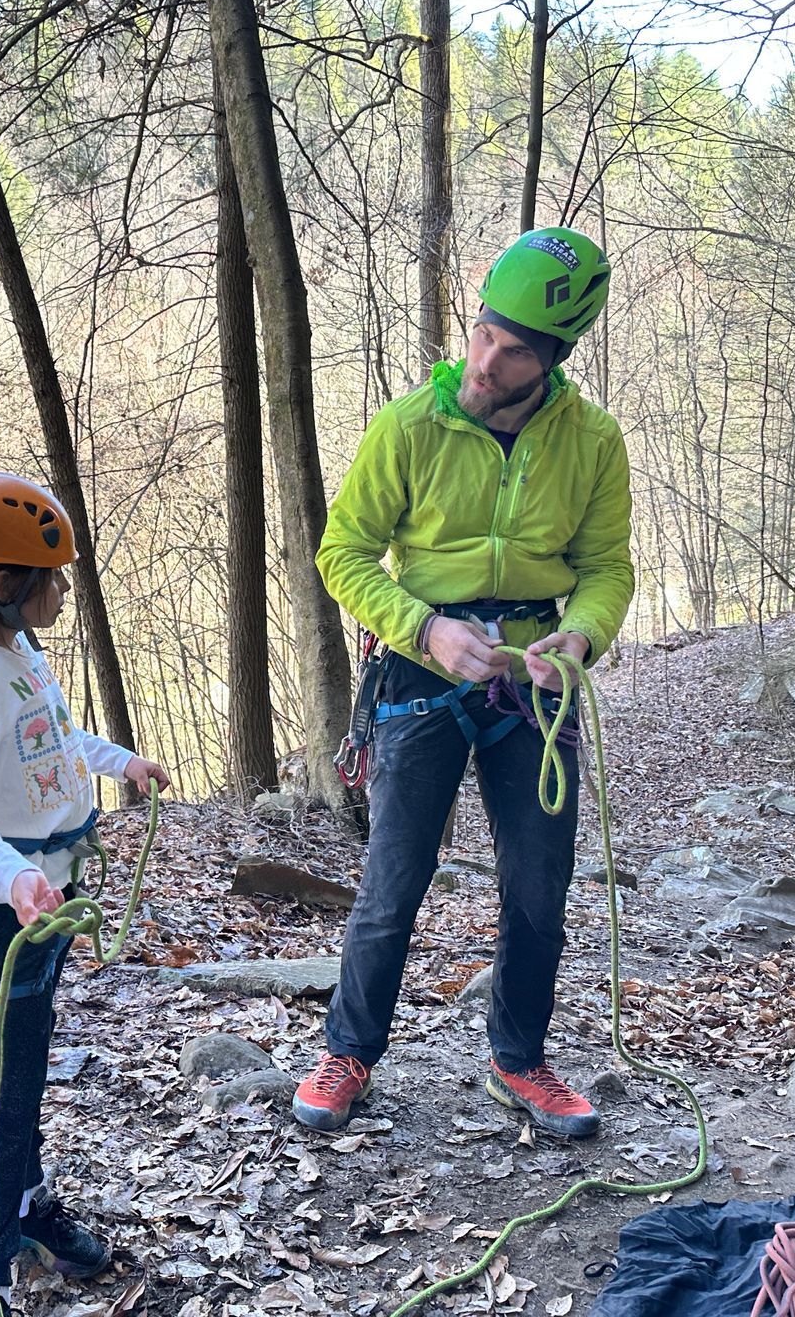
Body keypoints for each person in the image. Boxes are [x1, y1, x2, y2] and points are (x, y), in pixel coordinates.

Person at [292, 227, 633, 1138]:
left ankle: (520, 1059)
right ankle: (351, 1050)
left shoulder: (592, 442)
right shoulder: (411, 425)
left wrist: (583, 633)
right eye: (484, 331)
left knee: (539, 884)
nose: (486, 358)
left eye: (514, 348)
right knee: (393, 878)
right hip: (419, 674)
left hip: (533, 680)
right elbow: (344, 552)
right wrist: (424, 626)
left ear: (554, 357)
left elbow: (606, 567)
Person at [0, 472, 170, 1315]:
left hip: (47, 897)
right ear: (3, 584)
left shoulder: (18, 653)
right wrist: (14, 877)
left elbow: (57, 737)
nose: (62, 591)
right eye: (52, 577)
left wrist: (120, 763)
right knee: (4, 1084)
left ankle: (24, 1209)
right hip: (6, 913)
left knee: (24, 1068)